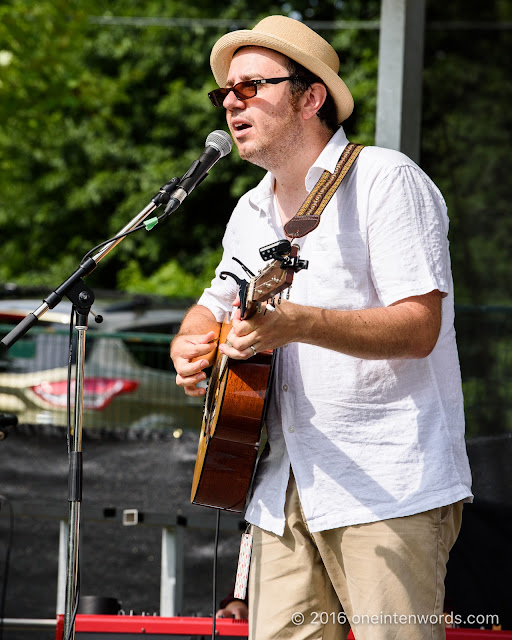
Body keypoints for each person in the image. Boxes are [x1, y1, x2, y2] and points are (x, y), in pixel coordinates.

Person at [170, 15, 473, 640]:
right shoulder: (250, 209)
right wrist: (190, 342)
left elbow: (419, 327)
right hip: (283, 487)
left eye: (252, 86)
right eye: (225, 91)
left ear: (311, 98)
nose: (230, 101)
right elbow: (215, 300)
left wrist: (300, 324)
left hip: (387, 481)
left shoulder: (384, 179)